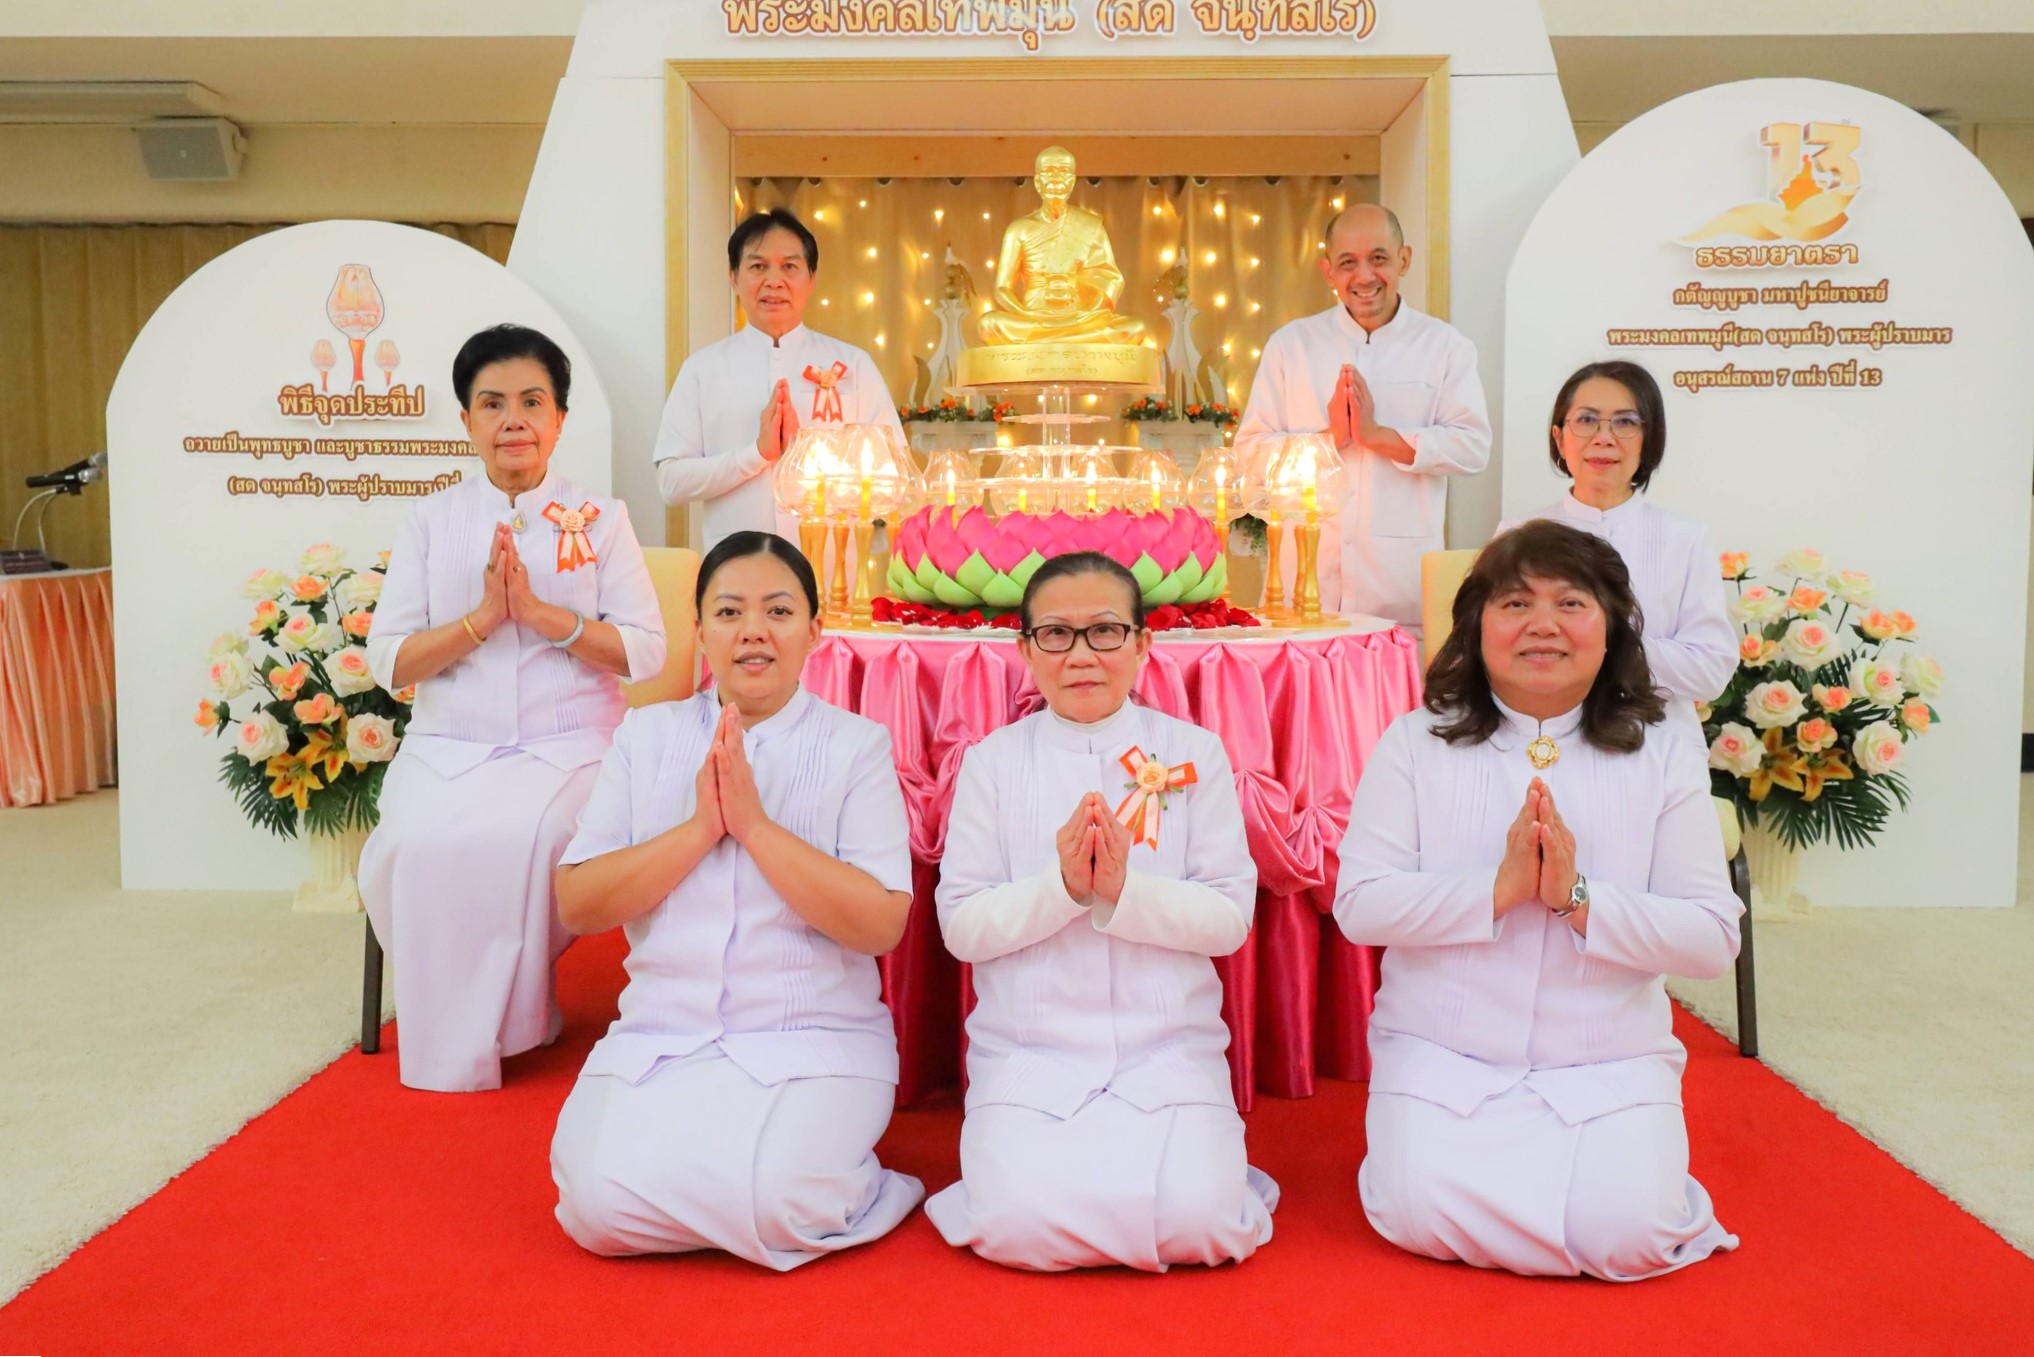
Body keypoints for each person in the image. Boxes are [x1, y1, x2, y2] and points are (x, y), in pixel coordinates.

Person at [1333, 520, 1741, 1281]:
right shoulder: (1415, 741)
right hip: (1445, 1053)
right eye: (1516, 603)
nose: (1543, 625)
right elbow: (1361, 903)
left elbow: (1712, 938)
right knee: (1413, 1212)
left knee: (1633, 1234)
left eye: (1571, 603)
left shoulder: (1663, 755)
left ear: (1613, 625)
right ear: (1476, 624)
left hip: (1605, 1058)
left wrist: (1577, 899)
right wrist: (1497, 891)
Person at [548, 531, 923, 1271]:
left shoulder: (858, 746)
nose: (753, 630)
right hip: (663, 1033)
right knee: (593, 1206)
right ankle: (720, 1171)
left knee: (775, 1201)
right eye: (729, 611)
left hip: (813, 1037)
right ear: (702, 630)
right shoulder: (645, 737)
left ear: (815, 631)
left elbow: (881, 923)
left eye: (778, 610)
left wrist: (752, 827)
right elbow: (578, 903)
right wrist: (699, 829)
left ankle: (850, 1176)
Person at [923, 552, 1277, 1272]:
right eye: (1055, 634)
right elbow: (961, 924)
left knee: (1201, 1224)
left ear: (1143, 643)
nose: (1081, 654)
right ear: (1024, 649)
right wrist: (1061, 886)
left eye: (1106, 631)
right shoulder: (992, 762)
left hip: (1166, 1051)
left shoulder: (1193, 754)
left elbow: (1229, 916)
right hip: (1032, 1051)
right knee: (1014, 1226)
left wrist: (1124, 891)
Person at [361, 323, 665, 1093]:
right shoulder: (430, 520)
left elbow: (645, 652)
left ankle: (517, 1019)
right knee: (415, 846)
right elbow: (389, 660)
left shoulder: (601, 518)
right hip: (448, 744)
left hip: (571, 745)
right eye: (491, 403)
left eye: (532, 401)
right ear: (466, 420)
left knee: (522, 837)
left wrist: (542, 616)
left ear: (560, 417)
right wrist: (482, 621)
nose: (513, 420)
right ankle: (455, 1033)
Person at [1236, 203, 1491, 628]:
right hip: (1300, 590)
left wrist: (1378, 436)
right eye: (1347, 263)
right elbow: (1249, 455)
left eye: (1378, 258)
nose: (1365, 277)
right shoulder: (1291, 345)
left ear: (1404, 260)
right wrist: (1330, 438)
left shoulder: (1445, 346)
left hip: (1400, 591)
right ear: (1327, 271)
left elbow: (1472, 447)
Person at [1499, 360, 1736, 748]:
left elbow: (1710, 671)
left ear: (1649, 438)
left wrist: (1606, 641)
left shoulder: (1686, 539)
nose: (1604, 437)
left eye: (1625, 422)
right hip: (1541, 738)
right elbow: (1493, 651)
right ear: (1559, 438)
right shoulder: (1517, 534)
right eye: (1587, 420)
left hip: (1657, 740)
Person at [653, 209, 907, 550]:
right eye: (758, 266)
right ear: (733, 276)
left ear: (811, 278)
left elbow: (896, 475)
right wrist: (756, 454)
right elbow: (671, 484)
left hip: (831, 570)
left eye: (789, 266)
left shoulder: (853, 364)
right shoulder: (702, 368)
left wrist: (825, 477)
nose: (774, 281)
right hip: (736, 572)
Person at [976, 145, 1147, 346]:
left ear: (1072, 181)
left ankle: (1051, 340)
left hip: (1079, 315)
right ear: (1038, 182)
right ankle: (1069, 340)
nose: (1056, 178)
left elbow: (1109, 277)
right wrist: (1025, 314)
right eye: (1049, 171)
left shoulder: (1089, 225)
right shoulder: (1019, 228)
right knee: (989, 324)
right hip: (1033, 316)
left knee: (1135, 328)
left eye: (1063, 171)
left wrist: (1091, 313)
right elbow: (1002, 287)